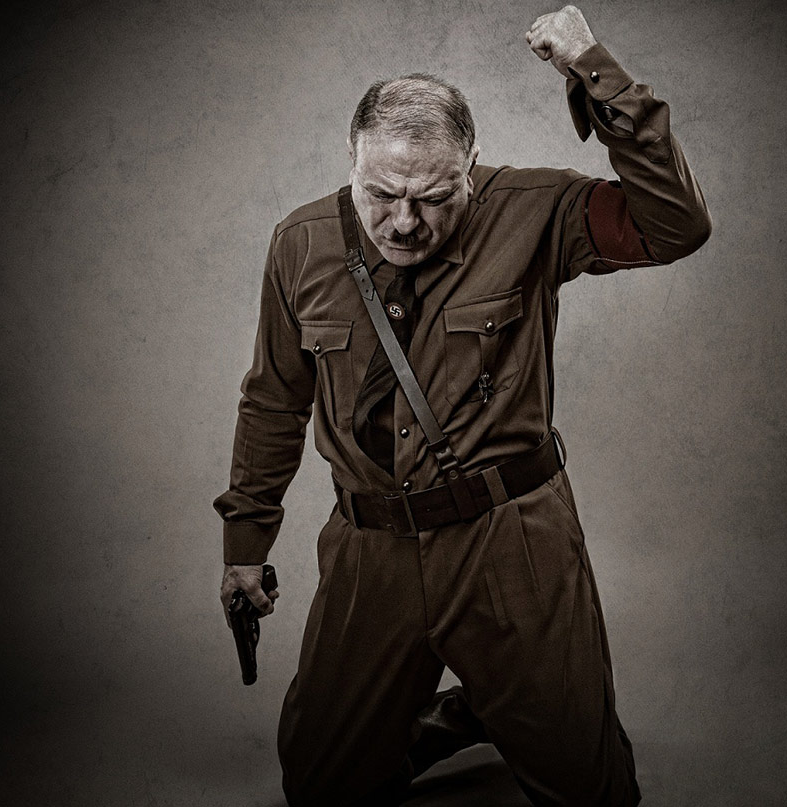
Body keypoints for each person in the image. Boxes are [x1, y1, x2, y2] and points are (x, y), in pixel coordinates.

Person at [214, 6, 710, 805]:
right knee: (320, 790)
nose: (405, 221)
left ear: (471, 167)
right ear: (350, 160)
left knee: (595, 796)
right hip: (371, 547)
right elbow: (274, 398)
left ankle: (511, 696)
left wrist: (593, 68)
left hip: (510, 540)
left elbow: (677, 225)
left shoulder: (540, 210)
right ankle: (475, 707)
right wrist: (245, 541)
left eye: (435, 196)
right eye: (382, 194)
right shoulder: (299, 243)